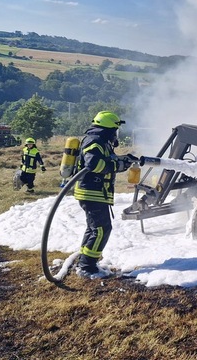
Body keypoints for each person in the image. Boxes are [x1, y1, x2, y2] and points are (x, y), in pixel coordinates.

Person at [74, 111, 137, 279]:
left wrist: (124, 159)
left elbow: (109, 160)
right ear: (109, 129)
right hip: (92, 192)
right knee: (102, 229)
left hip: (95, 192)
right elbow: (93, 164)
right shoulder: (95, 141)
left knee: (93, 228)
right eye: (115, 130)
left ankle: (85, 260)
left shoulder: (101, 142)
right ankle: (87, 266)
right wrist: (117, 165)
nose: (116, 134)